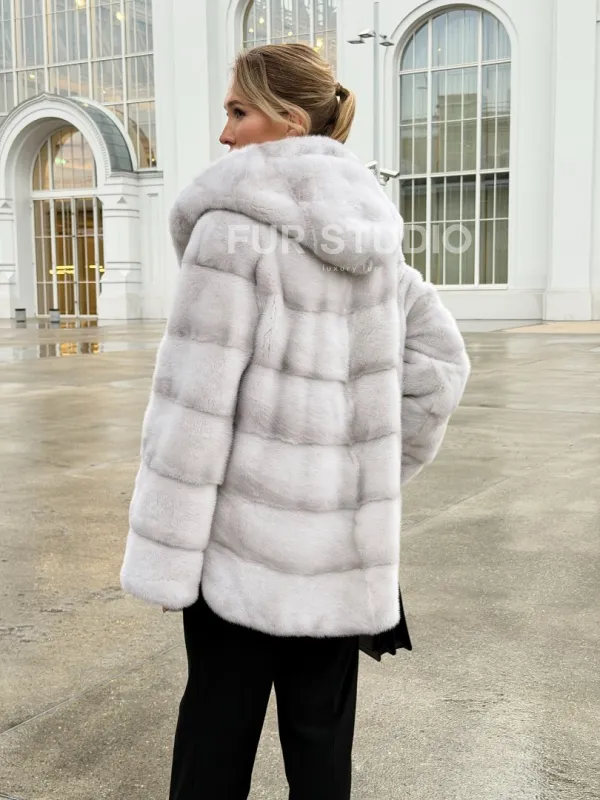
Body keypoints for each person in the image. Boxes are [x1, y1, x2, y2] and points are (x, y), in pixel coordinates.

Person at [120, 43, 470, 800]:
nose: (224, 133)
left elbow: (194, 416)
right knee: (321, 751)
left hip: (237, 559)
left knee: (214, 746)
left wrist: (167, 557)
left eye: (237, 111)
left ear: (288, 121)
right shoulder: (372, 236)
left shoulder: (228, 232)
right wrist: (362, 475)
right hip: (340, 554)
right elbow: (442, 366)